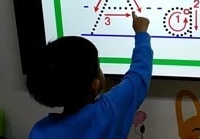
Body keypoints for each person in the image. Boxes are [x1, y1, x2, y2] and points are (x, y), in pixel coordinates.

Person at [26, 11, 153, 139]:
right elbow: (139, 74)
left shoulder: (39, 132)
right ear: (95, 84)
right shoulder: (109, 111)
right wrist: (141, 33)